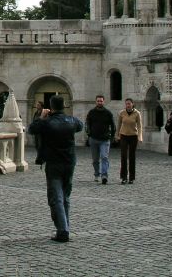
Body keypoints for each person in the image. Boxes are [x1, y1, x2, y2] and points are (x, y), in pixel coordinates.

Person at [28, 95, 83, 243]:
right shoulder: (71, 121)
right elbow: (81, 125)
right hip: (69, 162)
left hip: (53, 163)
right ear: (64, 106)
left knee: (56, 197)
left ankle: (63, 230)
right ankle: (65, 227)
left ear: (51, 107)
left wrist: (42, 116)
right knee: (65, 196)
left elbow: (32, 129)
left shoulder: (47, 123)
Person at [85, 94, 115, 184]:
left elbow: (113, 125)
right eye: (98, 101)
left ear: (103, 101)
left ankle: (104, 175)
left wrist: (112, 136)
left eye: (101, 101)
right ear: (96, 101)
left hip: (105, 139)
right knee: (95, 159)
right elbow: (87, 123)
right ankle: (96, 174)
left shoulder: (108, 113)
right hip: (94, 138)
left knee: (104, 157)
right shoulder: (91, 112)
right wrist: (89, 133)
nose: (99, 102)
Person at [115, 98, 142, 184]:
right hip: (124, 135)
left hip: (133, 136)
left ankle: (131, 177)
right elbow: (119, 124)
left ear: (132, 104)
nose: (128, 105)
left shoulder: (137, 113)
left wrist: (140, 137)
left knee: (132, 156)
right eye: (126, 104)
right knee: (123, 156)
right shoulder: (122, 113)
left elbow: (140, 126)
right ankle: (123, 177)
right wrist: (117, 135)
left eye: (129, 103)